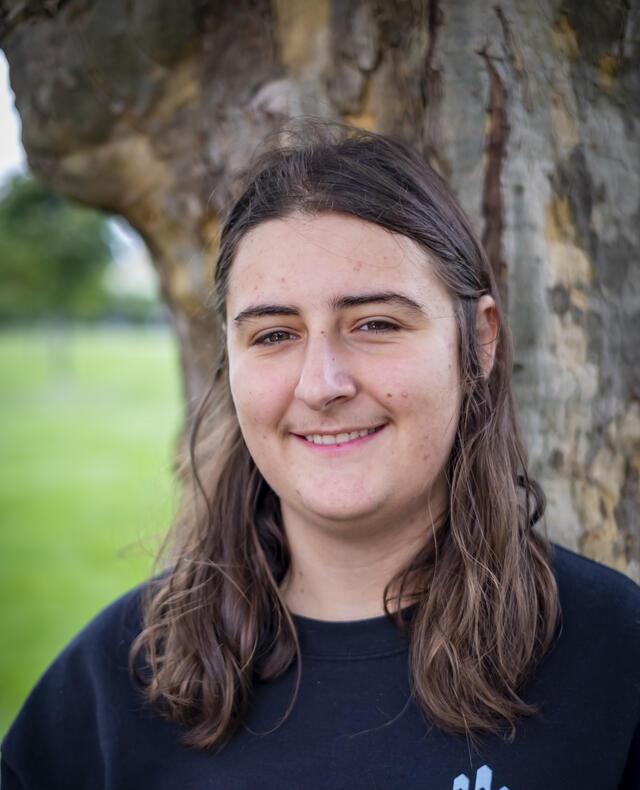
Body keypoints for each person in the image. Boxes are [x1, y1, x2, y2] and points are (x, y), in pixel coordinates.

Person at [2, 123, 639, 790]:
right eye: (275, 334)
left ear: (478, 342)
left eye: (375, 324)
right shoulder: (121, 680)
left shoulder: (615, 656)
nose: (321, 384)